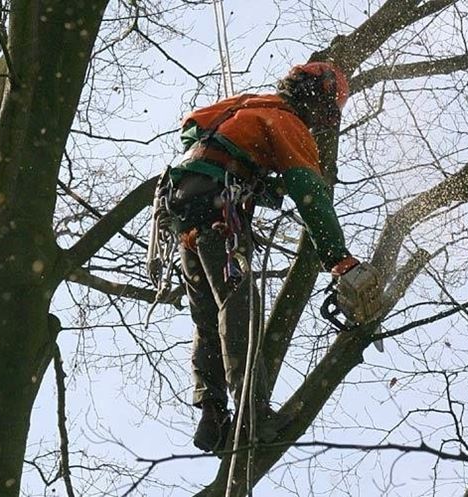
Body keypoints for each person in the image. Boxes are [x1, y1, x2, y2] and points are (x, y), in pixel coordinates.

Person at [157, 62, 377, 454]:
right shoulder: (286, 123)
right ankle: (251, 412)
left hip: (183, 214)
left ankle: (212, 414)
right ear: (319, 101)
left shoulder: (245, 107)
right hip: (219, 211)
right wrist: (337, 257)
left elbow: (191, 129)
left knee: (207, 317)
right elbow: (310, 193)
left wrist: (259, 180)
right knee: (239, 304)